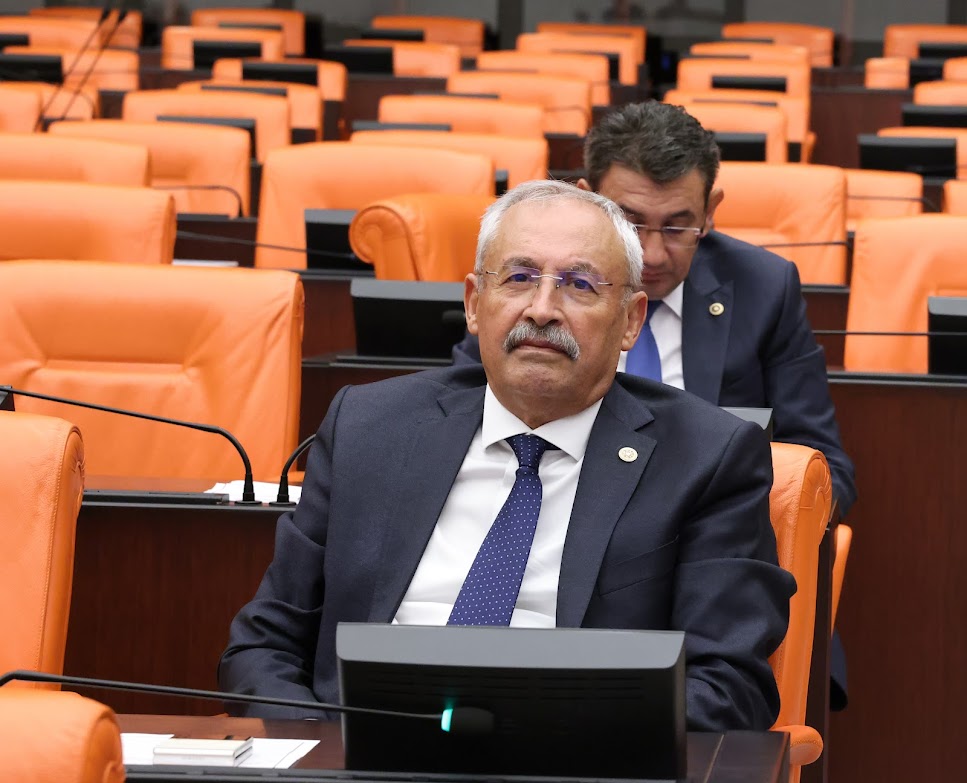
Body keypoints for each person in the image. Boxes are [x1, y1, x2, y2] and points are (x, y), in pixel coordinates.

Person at [219, 179, 795, 732]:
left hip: (569, 778)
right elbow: (263, 645)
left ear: (631, 321)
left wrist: (545, 746)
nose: (542, 309)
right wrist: (326, 750)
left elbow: (727, 686)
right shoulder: (369, 427)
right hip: (356, 764)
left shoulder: (706, 458)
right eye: (518, 278)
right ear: (475, 304)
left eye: (580, 285)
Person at [453, 102, 854, 707]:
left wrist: (716, 500)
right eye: (632, 222)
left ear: (711, 211)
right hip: (542, 532)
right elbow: (459, 411)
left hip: (702, 562)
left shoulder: (764, 287)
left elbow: (829, 469)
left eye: (678, 226)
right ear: (586, 199)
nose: (655, 253)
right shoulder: (535, 294)